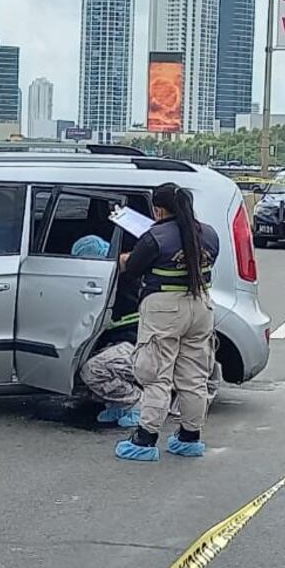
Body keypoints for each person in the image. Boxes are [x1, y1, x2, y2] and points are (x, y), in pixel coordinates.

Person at [114, 183, 219, 462]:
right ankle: (189, 436)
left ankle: (146, 438)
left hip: (164, 310)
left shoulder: (155, 236)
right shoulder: (208, 234)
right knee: (194, 376)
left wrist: (123, 258)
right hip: (201, 306)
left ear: (158, 209)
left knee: (156, 374)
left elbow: (133, 269)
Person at [71, 235, 143, 428]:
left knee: (92, 371)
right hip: (124, 342)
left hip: (136, 344)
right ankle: (117, 403)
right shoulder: (115, 281)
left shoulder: (122, 284)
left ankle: (136, 401)